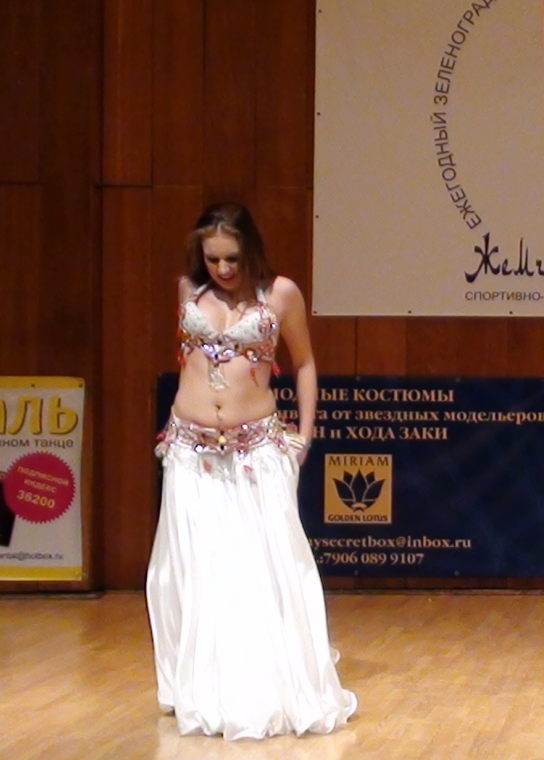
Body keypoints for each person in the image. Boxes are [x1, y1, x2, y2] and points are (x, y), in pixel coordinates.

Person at [146, 202, 357, 740]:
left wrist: (304, 434)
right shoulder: (188, 291)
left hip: (256, 448)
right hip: (190, 451)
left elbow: (303, 362)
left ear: (251, 250)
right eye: (212, 258)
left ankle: (267, 686)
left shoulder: (280, 294)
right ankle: (200, 686)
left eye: (232, 258)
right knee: (195, 569)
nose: (222, 269)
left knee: (264, 568)